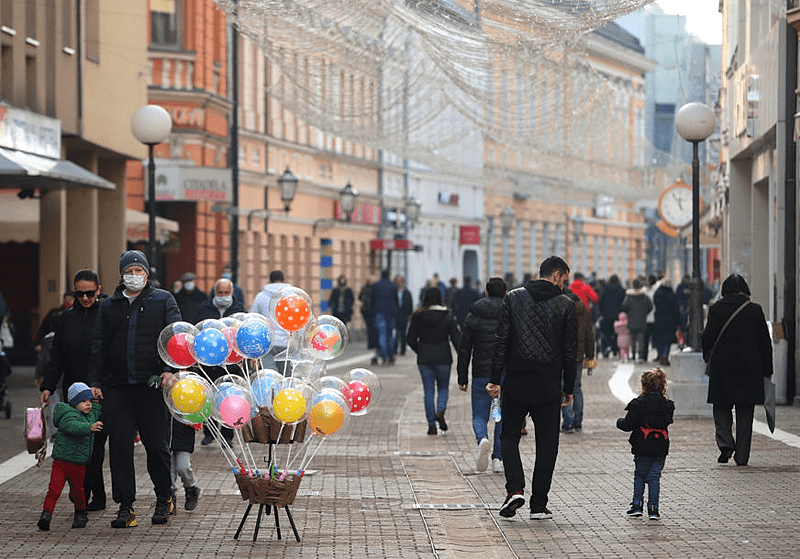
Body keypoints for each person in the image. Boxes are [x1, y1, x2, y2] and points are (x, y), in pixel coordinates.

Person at [89, 250, 181, 528]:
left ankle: (164, 497)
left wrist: (170, 370)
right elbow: (99, 345)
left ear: (146, 274)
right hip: (118, 387)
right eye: (129, 271)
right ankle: (126, 506)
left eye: (138, 271)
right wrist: (95, 381)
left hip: (151, 385)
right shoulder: (109, 306)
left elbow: (176, 339)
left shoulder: (162, 300)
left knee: (156, 446)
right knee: (119, 449)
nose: (134, 276)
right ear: (121, 274)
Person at [488, 255, 577, 520]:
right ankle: (539, 504)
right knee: (548, 444)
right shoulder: (565, 305)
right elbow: (570, 352)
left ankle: (515, 488)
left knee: (509, 436)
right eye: (564, 280)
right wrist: (568, 386)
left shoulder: (513, 298)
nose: (564, 285)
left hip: (516, 380)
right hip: (548, 384)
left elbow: (501, 341)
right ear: (557, 275)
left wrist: (495, 378)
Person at [40, 268, 108, 511]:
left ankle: (91, 493)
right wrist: (48, 386)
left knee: (95, 447)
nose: (86, 299)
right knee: (78, 443)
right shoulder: (65, 319)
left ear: (98, 290)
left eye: (90, 293)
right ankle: (90, 493)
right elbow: (57, 356)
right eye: (81, 294)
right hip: (74, 393)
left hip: (100, 391)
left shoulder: (106, 314)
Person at [702, 274, 773, 466]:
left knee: (721, 406)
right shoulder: (754, 310)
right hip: (750, 368)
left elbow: (707, 338)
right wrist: (768, 370)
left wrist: (707, 357)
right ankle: (742, 456)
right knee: (745, 412)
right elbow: (765, 343)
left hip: (722, 367)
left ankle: (725, 444)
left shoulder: (716, 309)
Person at [37, 382, 103, 531]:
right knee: (54, 490)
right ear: (74, 403)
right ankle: (46, 514)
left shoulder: (90, 414)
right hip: (61, 463)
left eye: (89, 401)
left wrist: (97, 400)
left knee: (78, 492)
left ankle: (80, 513)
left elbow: (96, 412)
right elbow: (73, 426)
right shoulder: (68, 414)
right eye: (83, 401)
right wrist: (89, 427)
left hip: (78, 464)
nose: (88, 404)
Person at [456, 277, 507, 472]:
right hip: (504, 375)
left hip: (480, 374)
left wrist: (462, 377)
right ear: (504, 293)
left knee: (479, 415)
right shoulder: (510, 312)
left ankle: (482, 438)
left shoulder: (473, 315)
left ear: (486, 292)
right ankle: (498, 459)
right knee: (500, 416)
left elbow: (464, 348)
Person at [616, 368, 674, 520]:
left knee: (640, 475)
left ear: (643, 386)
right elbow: (667, 421)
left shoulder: (638, 404)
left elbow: (627, 424)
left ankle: (637, 505)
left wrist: (619, 422)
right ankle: (653, 509)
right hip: (661, 445)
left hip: (642, 445)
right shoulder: (667, 405)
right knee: (654, 476)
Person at [195, 278, 245, 446]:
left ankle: (227, 435)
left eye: (226, 293)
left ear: (232, 293)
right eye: (220, 293)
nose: (223, 296)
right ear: (214, 293)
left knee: (228, 398)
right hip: (208, 362)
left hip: (231, 362)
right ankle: (209, 433)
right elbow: (196, 330)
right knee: (208, 397)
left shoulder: (239, 310)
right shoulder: (203, 308)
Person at [407, 287, 460, 435]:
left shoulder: (418, 316)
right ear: (440, 298)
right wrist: (463, 354)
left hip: (424, 358)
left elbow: (410, 339)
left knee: (428, 392)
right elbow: (456, 338)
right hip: (443, 356)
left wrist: (420, 349)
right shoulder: (447, 315)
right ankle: (440, 410)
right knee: (443, 387)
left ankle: (431, 425)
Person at [561, 279, 595, 433]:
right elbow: (590, 335)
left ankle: (567, 421)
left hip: (562, 356)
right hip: (578, 356)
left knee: (563, 388)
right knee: (577, 388)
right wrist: (590, 356)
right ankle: (578, 421)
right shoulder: (585, 310)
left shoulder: (562, 309)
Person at [250, 270, 291, 372]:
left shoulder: (261, 296)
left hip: (267, 342)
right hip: (287, 342)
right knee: (287, 376)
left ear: (269, 281)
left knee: (269, 374)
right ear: (284, 280)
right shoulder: (292, 296)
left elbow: (253, 319)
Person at [169, 417, 200, 511]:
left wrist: (195, 420)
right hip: (165, 434)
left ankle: (191, 489)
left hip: (183, 434)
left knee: (183, 467)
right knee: (168, 470)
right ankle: (169, 497)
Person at [371, 270, 399, 365]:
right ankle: (391, 356)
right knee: (390, 335)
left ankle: (385, 356)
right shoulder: (393, 286)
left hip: (379, 313)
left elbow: (372, 300)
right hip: (391, 313)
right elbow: (396, 301)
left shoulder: (376, 286)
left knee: (382, 335)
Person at [621, 278, 652, 363]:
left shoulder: (629, 297)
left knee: (633, 338)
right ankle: (641, 355)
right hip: (642, 320)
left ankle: (633, 354)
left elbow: (624, 307)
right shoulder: (645, 297)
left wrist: (629, 313)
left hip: (631, 320)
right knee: (641, 338)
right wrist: (644, 313)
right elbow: (650, 307)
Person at [651, 280, 681, 366]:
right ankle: (665, 356)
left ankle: (660, 356)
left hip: (658, 319)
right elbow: (676, 310)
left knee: (659, 339)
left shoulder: (657, 294)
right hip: (669, 320)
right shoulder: (672, 295)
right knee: (668, 340)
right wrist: (678, 322)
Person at [598, 275, 625, 357]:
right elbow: (624, 303)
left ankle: (605, 349)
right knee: (617, 334)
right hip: (618, 316)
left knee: (606, 334)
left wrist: (601, 312)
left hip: (606, 316)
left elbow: (600, 302)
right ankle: (615, 349)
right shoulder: (621, 290)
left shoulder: (604, 289)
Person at [641, 275, 662, 362]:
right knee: (656, 337)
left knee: (645, 338)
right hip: (655, 316)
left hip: (647, 317)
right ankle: (659, 355)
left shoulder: (645, 291)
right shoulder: (658, 290)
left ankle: (644, 356)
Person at [358, 278, 378, 365]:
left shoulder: (368, 288)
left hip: (368, 312)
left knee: (371, 330)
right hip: (371, 312)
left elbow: (360, 297)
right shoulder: (373, 289)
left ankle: (373, 347)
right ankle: (374, 348)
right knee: (373, 330)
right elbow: (360, 297)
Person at [394, 275, 413, 356]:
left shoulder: (406, 292)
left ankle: (402, 349)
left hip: (404, 315)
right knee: (395, 334)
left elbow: (410, 303)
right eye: (397, 281)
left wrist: (410, 314)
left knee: (403, 334)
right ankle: (394, 349)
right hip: (395, 315)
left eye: (400, 281)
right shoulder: (393, 291)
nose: (399, 283)